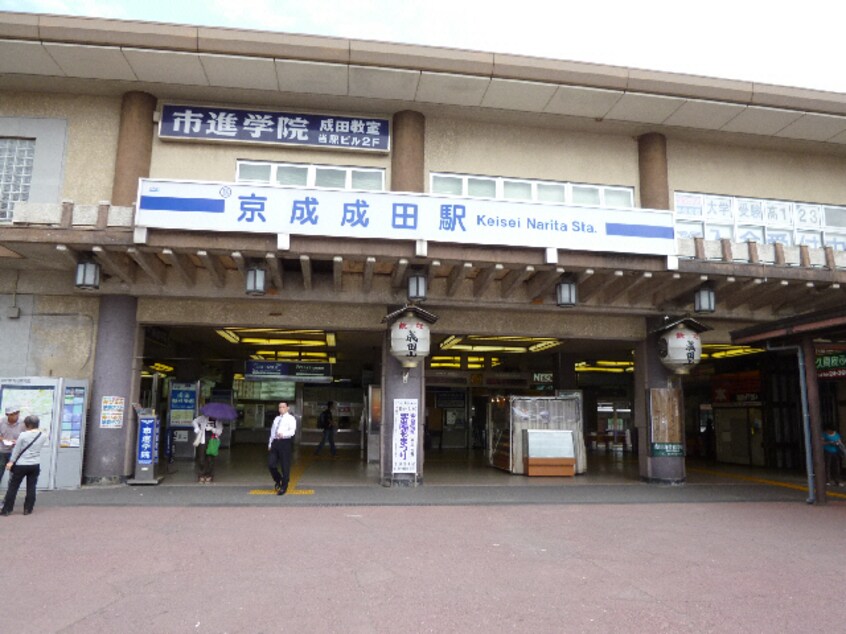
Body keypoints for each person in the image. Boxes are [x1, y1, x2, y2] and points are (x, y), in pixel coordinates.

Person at [1, 415, 48, 516]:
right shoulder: (43, 435)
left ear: (28, 425)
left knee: (13, 487)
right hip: (35, 464)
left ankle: (7, 509)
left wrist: (11, 462)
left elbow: (17, 450)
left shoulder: (23, 435)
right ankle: (28, 509)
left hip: (21, 464)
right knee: (31, 487)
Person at [268, 400, 297, 495]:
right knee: (271, 464)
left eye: (283, 407)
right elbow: (272, 432)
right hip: (275, 442)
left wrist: (283, 434)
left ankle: (284, 486)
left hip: (285, 442)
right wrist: (270, 443)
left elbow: (292, 432)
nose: (281, 409)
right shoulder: (276, 419)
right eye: (280, 407)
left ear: (287, 408)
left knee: (285, 465)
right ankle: (278, 479)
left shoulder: (291, 418)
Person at [192, 413, 223, 483]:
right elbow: (194, 421)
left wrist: (212, 429)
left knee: (210, 459)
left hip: (213, 442)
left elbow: (219, 432)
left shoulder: (218, 421)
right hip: (203, 440)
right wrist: (197, 429)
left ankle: (209, 475)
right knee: (201, 459)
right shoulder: (203, 418)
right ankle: (201, 475)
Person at [0, 406, 23, 486]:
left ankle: (10, 495)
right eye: (13, 414)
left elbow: (27, 436)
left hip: (16, 452)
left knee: (14, 476)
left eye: (17, 413)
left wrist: (17, 441)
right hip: (2, 451)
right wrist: (2, 439)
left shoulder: (23, 423)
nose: (15, 416)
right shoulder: (1, 421)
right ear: (7, 415)